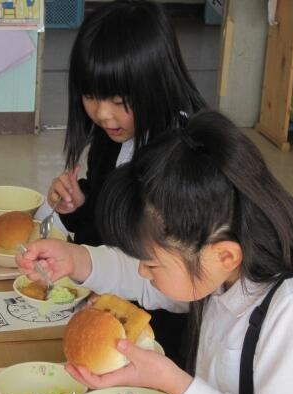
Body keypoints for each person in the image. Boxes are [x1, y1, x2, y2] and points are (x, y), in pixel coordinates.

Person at [18, 110, 293, 394]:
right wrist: (75, 259)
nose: (142, 271)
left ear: (224, 255)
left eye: (152, 264)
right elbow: (145, 281)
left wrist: (171, 382)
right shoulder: (222, 270)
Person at [34, 0, 207, 365]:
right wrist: (80, 208)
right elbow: (109, 234)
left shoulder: (185, 158)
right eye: (90, 96)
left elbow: (178, 287)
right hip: (110, 316)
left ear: (157, 83)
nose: (102, 114)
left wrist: (86, 264)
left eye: (118, 100)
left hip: (164, 341)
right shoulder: (112, 136)